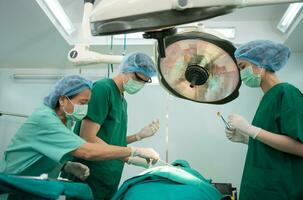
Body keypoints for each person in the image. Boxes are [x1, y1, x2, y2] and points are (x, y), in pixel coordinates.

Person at [0, 75, 159, 181]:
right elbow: (87, 151)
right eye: (83, 103)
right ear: (63, 100)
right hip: (13, 183)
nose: (86, 108)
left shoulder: (66, 120)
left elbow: (49, 149)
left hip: (34, 183)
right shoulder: (45, 119)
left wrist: (66, 166)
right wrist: (134, 151)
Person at [70, 52, 160, 199]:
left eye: (145, 81)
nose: (140, 83)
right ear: (126, 69)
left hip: (108, 178)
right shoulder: (103, 89)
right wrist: (130, 155)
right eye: (138, 78)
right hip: (90, 174)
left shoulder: (123, 101)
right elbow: (87, 138)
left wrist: (138, 136)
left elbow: (112, 140)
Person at [225, 40, 303, 199]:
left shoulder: (286, 92)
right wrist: (247, 139)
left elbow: (300, 148)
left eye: (243, 67)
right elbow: (275, 145)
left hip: (281, 191)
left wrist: (252, 130)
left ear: (259, 64)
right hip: (260, 189)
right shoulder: (266, 99)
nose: (241, 74)